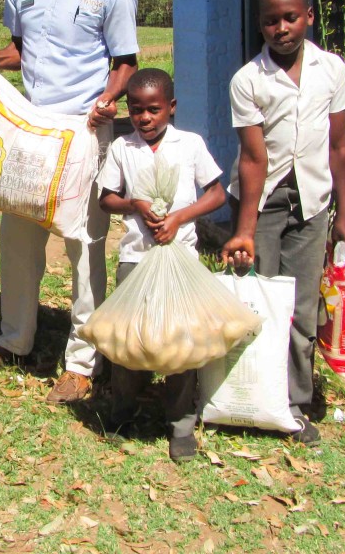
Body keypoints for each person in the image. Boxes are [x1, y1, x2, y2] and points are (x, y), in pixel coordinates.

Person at [0, 0, 139, 404]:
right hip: (31, 131)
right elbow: (21, 48)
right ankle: (14, 339)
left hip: (85, 131)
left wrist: (111, 97)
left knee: (85, 246)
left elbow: (125, 60)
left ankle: (82, 361)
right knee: (17, 240)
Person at [221, 0, 345, 445]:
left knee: (300, 309)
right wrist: (245, 229)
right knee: (256, 302)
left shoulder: (332, 69)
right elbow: (253, 158)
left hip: (314, 202)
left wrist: (343, 213)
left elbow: (338, 146)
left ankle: (295, 405)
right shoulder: (248, 80)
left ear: (309, 17)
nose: (281, 28)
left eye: (290, 17)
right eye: (270, 20)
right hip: (263, 203)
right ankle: (247, 395)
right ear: (259, 25)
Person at [98, 68, 225, 462]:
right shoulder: (123, 148)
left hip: (180, 259)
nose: (144, 118)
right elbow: (106, 198)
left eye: (153, 109)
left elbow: (217, 194)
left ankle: (181, 422)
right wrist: (134, 205)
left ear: (171, 107)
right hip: (136, 257)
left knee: (179, 340)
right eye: (136, 110)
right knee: (129, 337)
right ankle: (123, 408)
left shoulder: (190, 145)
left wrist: (179, 218)